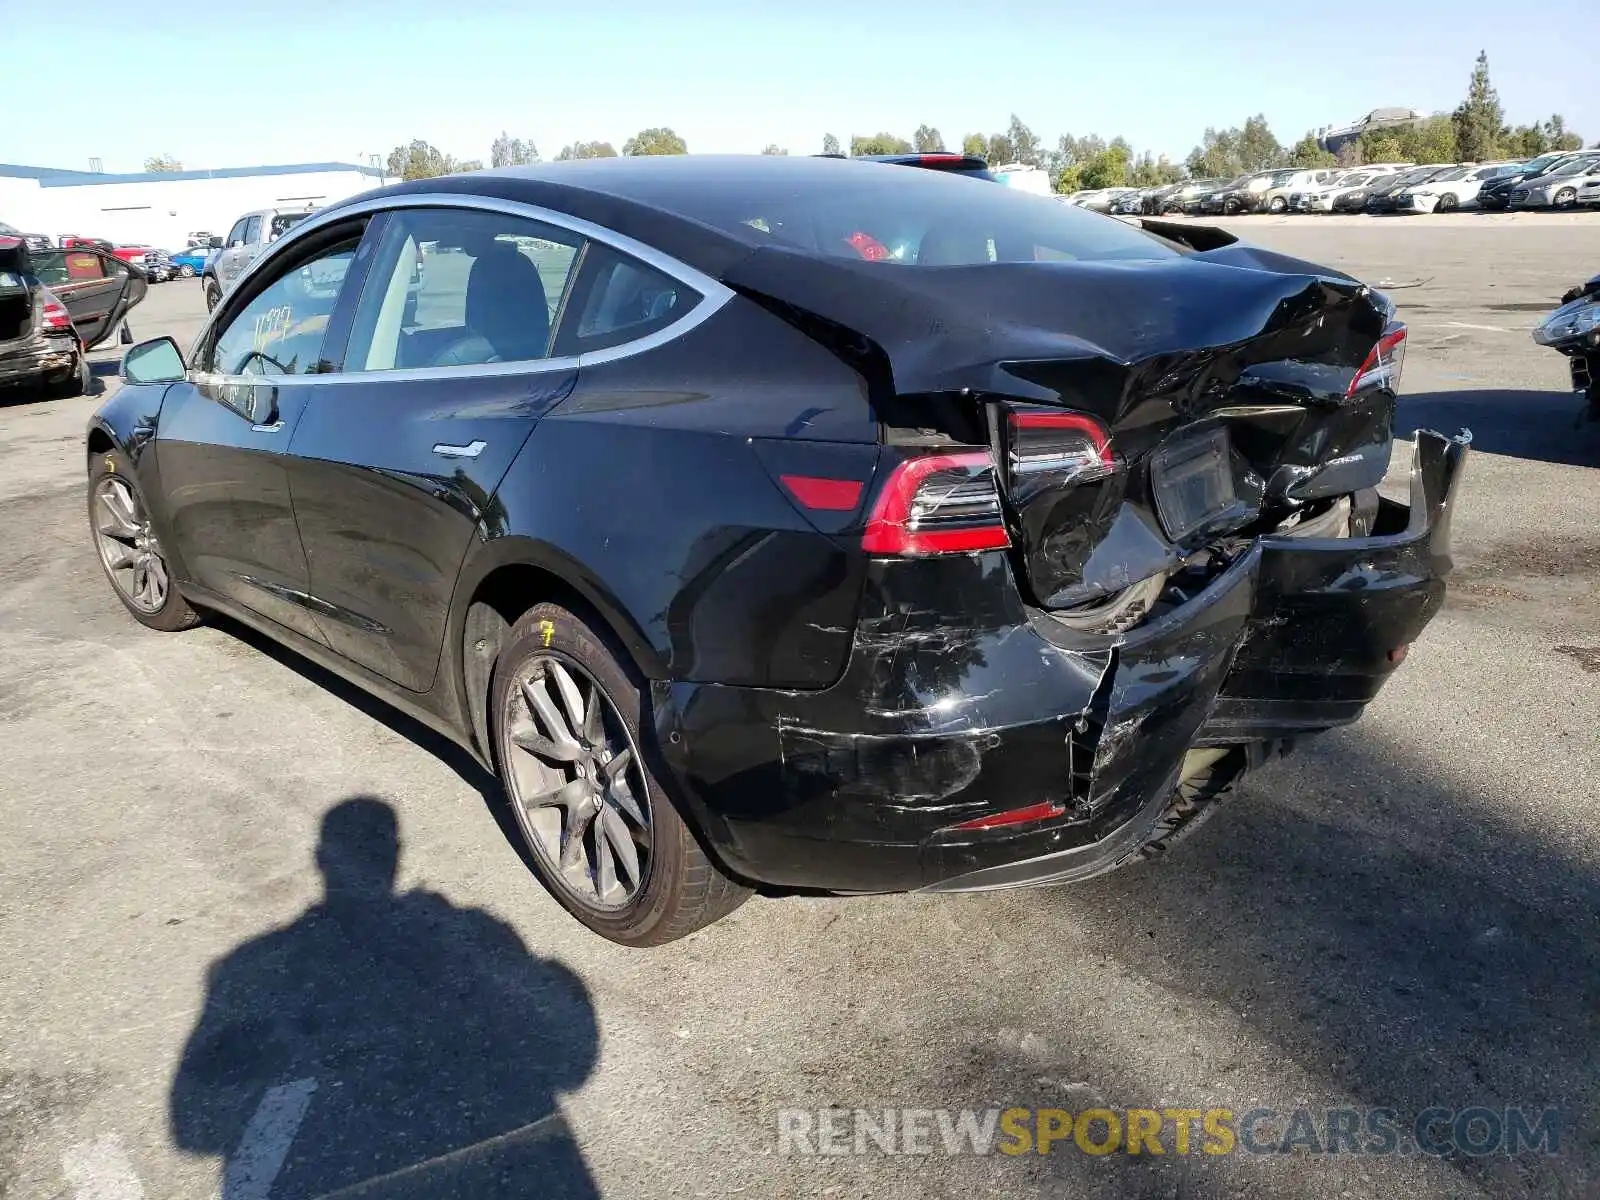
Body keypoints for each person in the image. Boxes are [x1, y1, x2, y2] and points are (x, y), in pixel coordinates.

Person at [171, 797, 599, 1198]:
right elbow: (572, 1059)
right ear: (395, 854)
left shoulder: (251, 968)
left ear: (321, 860)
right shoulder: (469, 934)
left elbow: (194, 1130)